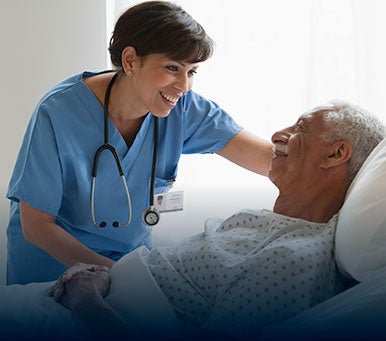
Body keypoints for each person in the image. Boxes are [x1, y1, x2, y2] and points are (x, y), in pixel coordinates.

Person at [43, 100, 385, 339]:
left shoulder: (294, 259)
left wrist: (86, 300)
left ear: (336, 153)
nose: (278, 135)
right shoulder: (266, 222)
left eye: (300, 128)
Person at [5, 1, 273, 285]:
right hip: (50, 271)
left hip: (127, 266)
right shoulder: (59, 112)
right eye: (172, 68)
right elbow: (36, 226)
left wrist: (321, 155)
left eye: (192, 71)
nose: (184, 85)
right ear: (131, 60)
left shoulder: (182, 108)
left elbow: (266, 158)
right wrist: (120, 276)